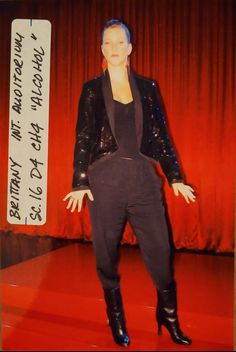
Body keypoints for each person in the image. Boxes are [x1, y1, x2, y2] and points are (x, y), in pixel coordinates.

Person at [63, 18, 196, 348]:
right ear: (102, 49)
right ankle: (116, 315)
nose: (113, 48)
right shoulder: (92, 89)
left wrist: (175, 176)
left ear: (130, 48)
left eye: (119, 42)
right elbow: (83, 136)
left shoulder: (148, 88)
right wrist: (80, 180)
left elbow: (161, 137)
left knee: (161, 252)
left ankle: (167, 315)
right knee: (106, 254)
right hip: (104, 181)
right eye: (107, 43)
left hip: (143, 180)